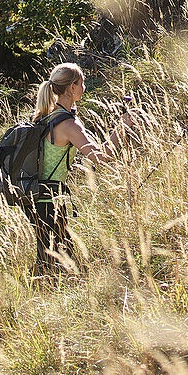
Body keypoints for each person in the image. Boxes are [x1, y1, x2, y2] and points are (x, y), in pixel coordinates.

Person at [27, 61, 135, 274]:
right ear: (72, 87)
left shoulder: (48, 115)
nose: (84, 87)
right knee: (62, 262)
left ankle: (39, 288)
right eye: (82, 82)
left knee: (48, 257)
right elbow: (101, 157)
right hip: (50, 201)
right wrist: (122, 127)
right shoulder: (67, 124)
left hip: (38, 196)